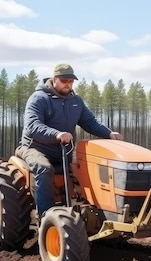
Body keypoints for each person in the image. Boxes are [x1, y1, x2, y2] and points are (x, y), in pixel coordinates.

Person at [16, 63, 122, 218]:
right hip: (35, 148)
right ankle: (45, 218)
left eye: (71, 81)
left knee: (86, 171)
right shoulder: (39, 99)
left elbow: (90, 122)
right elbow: (33, 126)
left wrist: (109, 133)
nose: (68, 84)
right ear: (54, 79)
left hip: (62, 151)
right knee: (44, 168)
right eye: (64, 80)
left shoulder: (76, 101)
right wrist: (56, 134)